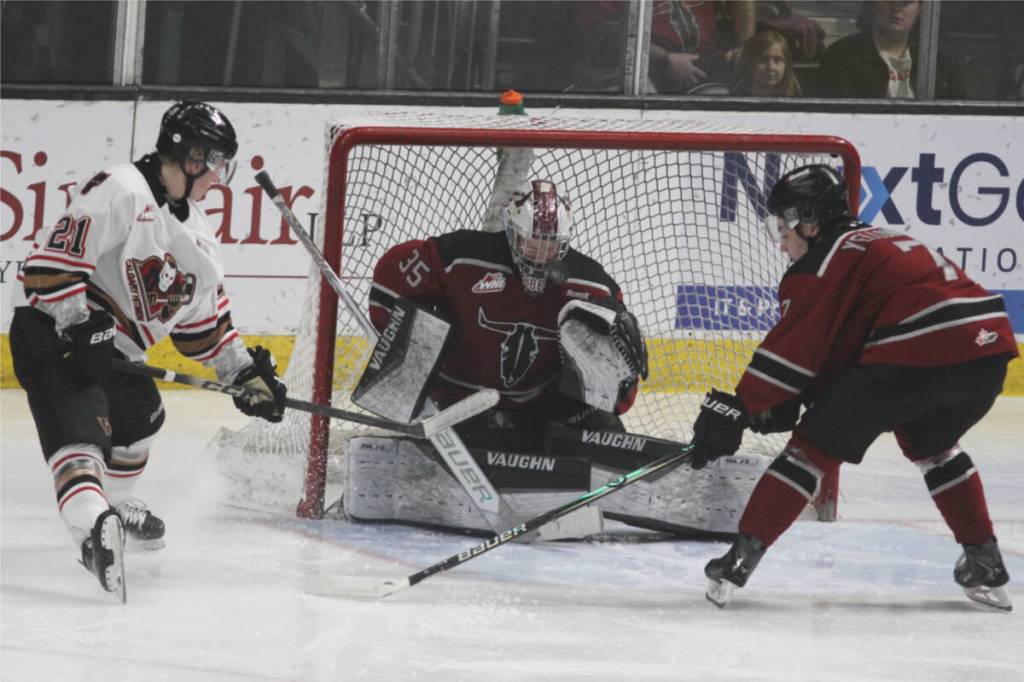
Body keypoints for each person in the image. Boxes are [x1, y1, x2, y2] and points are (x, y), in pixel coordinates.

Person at [687, 164, 1016, 611]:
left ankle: (739, 560)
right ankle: (985, 561)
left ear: (811, 220)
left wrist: (744, 404)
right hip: (988, 353)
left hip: (915, 354)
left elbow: (799, 345)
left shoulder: (826, 259)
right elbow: (846, 344)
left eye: (784, 227)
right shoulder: (879, 239)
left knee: (811, 449)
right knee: (932, 444)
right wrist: (790, 397)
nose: (781, 240)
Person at [10, 100, 287, 602]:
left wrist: (243, 374)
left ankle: (116, 506)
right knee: (81, 438)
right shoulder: (121, 189)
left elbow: (205, 326)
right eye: (217, 164)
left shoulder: (198, 237)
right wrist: (77, 325)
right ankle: (94, 530)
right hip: (52, 330)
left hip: (114, 350)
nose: (220, 179)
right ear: (192, 156)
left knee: (141, 418)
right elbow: (50, 265)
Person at [817, 1, 965, 99]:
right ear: (872, 4)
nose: (897, 8)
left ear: (919, 9)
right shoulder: (843, 55)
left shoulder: (938, 60)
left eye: (906, 1)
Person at [729, 30, 802, 96]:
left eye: (777, 60)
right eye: (763, 60)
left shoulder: (793, 97)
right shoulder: (738, 97)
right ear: (749, 64)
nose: (771, 67)